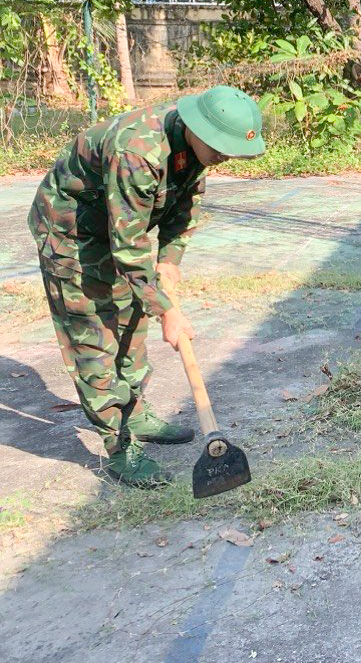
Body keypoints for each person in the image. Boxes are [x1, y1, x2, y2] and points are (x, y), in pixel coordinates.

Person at [29, 85, 266, 488]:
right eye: (221, 148)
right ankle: (118, 445)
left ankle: (134, 413)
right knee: (95, 337)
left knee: (131, 324)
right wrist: (169, 312)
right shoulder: (137, 151)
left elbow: (184, 207)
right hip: (72, 236)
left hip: (119, 231)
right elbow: (128, 246)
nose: (224, 157)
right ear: (198, 128)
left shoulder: (193, 146)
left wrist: (169, 261)